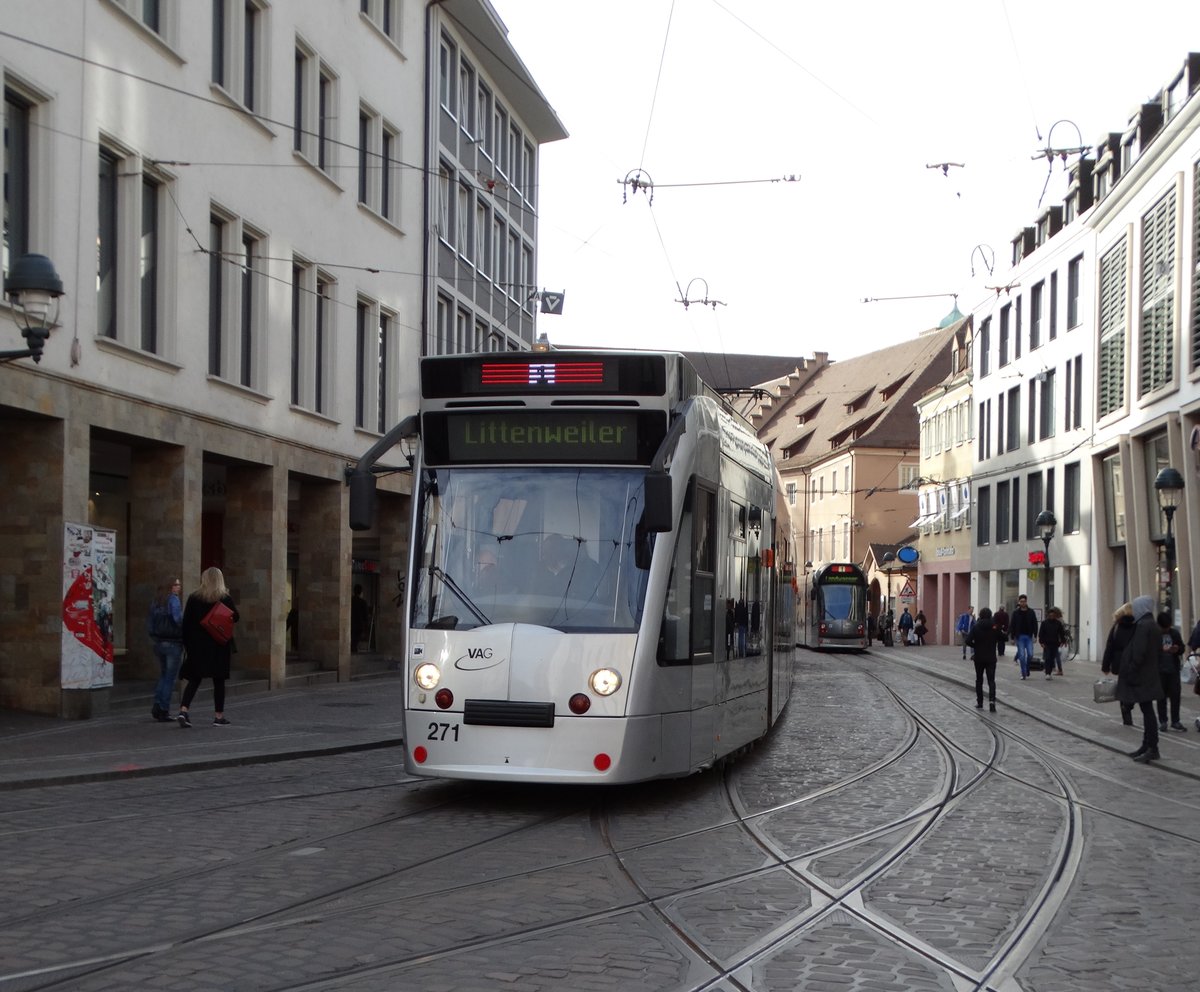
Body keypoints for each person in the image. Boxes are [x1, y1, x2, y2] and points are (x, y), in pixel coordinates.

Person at [178, 566, 239, 728]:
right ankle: (218, 717)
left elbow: (186, 624)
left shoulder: (194, 598)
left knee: (194, 679)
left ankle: (184, 710)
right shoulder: (225, 598)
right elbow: (236, 617)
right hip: (218, 645)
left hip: (197, 647)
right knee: (218, 681)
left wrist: (187, 645)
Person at [1118, 595, 1166, 763]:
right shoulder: (1152, 625)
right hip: (1149, 674)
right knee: (1147, 710)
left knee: (1148, 712)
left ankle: (1152, 747)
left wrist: (1131, 671)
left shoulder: (1144, 626)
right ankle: (1147, 745)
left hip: (1142, 675)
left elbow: (1139, 652)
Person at [148, 578, 184, 722]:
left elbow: (150, 625)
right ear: (170, 586)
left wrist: (156, 637)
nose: (179, 587)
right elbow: (178, 619)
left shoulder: (156, 601)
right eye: (176, 584)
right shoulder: (173, 600)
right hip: (172, 642)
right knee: (169, 677)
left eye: (179, 584)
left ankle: (157, 704)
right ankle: (163, 708)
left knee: (163, 675)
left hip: (159, 643)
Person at [1101, 602, 1138, 726]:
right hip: (1133, 660)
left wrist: (1105, 666)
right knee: (1134, 686)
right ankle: (1128, 705)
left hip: (1119, 661)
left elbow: (1109, 647)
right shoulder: (1137, 626)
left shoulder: (1117, 627)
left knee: (1123, 687)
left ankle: (1126, 713)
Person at [1155, 610, 1186, 733]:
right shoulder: (1155, 634)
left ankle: (1175, 720)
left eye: (1168, 627)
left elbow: (1182, 648)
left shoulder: (1174, 634)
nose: (1167, 630)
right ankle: (1163, 721)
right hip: (1159, 670)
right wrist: (1160, 649)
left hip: (1173, 669)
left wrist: (1177, 649)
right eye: (1164, 628)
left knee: (1175, 695)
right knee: (1161, 697)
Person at [965, 606, 1000, 712]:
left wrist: (975, 646)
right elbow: (1004, 637)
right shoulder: (994, 626)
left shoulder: (976, 626)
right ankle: (992, 702)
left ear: (980, 615)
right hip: (991, 657)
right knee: (991, 680)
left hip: (979, 657)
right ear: (990, 615)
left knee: (979, 680)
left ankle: (980, 702)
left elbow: (968, 640)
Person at [1010, 594, 1039, 679]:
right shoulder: (1015, 613)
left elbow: (1035, 624)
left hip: (1029, 636)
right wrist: (1012, 637)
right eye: (1021, 601)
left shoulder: (1031, 612)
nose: (1023, 603)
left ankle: (1026, 668)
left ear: (1026, 602)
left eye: (1024, 601)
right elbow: (1012, 625)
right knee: (1022, 656)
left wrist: (1035, 635)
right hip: (1020, 637)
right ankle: (1024, 673)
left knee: (1030, 654)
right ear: (1019, 602)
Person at [1038, 606, 1067, 681]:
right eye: (1050, 615)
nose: (1052, 617)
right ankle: (1047, 673)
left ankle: (1049, 672)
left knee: (1051, 659)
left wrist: (1063, 641)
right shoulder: (1044, 623)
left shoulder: (1058, 623)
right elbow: (1041, 633)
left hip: (1055, 644)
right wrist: (1041, 642)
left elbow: (1061, 633)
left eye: (1053, 616)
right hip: (1047, 644)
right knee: (1047, 658)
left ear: (1055, 616)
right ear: (1048, 615)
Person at [350, 583, 369, 653]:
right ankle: (354, 650)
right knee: (356, 640)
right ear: (361, 592)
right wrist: (366, 626)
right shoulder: (363, 602)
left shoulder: (350, 601)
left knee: (352, 639)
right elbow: (365, 615)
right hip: (359, 625)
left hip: (351, 624)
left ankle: (352, 650)